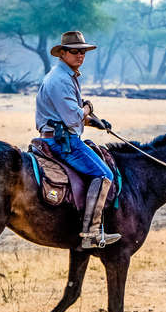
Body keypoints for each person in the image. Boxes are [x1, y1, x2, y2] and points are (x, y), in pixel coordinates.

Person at [35, 31, 121, 249]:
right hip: (63, 142)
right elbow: (73, 116)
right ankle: (91, 232)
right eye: (74, 51)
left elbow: (64, 115)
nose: (80, 55)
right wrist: (88, 108)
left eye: (83, 52)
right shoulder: (61, 79)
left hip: (58, 134)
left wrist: (94, 122)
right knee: (104, 174)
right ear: (62, 53)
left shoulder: (64, 76)